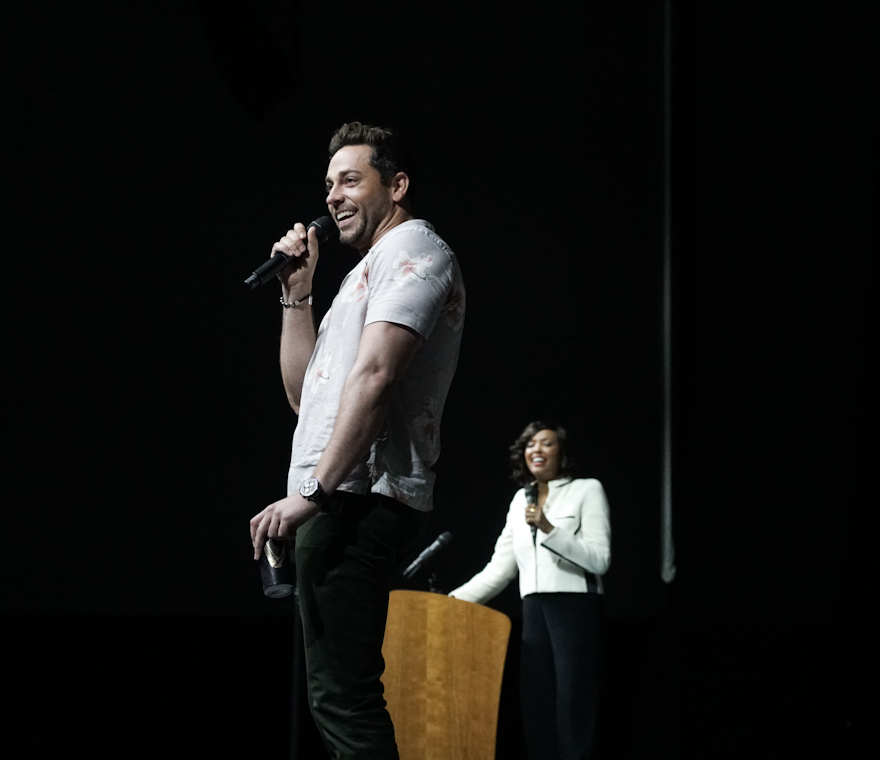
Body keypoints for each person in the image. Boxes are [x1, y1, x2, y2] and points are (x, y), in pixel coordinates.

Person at [249, 122, 465, 760]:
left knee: (346, 699)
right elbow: (306, 400)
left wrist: (313, 494)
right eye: (328, 184)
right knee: (335, 697)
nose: (332, 196)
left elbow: (376, 378)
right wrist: (297, 295)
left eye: (350, 180)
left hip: (357, 500)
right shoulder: (363, 275)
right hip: (337, 497)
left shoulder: (415, 252)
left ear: (396, 186)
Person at [449, 421, 610, 760]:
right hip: (534, 610)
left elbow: (599, 560)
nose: (536, 449)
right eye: (530, 444)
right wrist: (450, 603)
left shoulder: (586, 489)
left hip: (574, 607)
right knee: (537, 703)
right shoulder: (521, 499)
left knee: (572, 701)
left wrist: (548, 528)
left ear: (562, 453)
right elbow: (499, 569)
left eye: (546, 443)